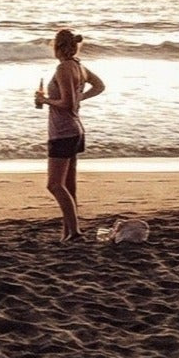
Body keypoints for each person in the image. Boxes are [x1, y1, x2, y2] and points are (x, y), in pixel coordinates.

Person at [33, 28, 106, 241]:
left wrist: (45, 100)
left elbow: (66, 103)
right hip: (75, 130)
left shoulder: (64, 68)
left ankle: (74, 232)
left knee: (54, 184)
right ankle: (68, 231)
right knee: (68, 186)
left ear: (57, 47)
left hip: (63, 132)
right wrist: (80, 97)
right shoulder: (79, 67)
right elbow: (99, 86)